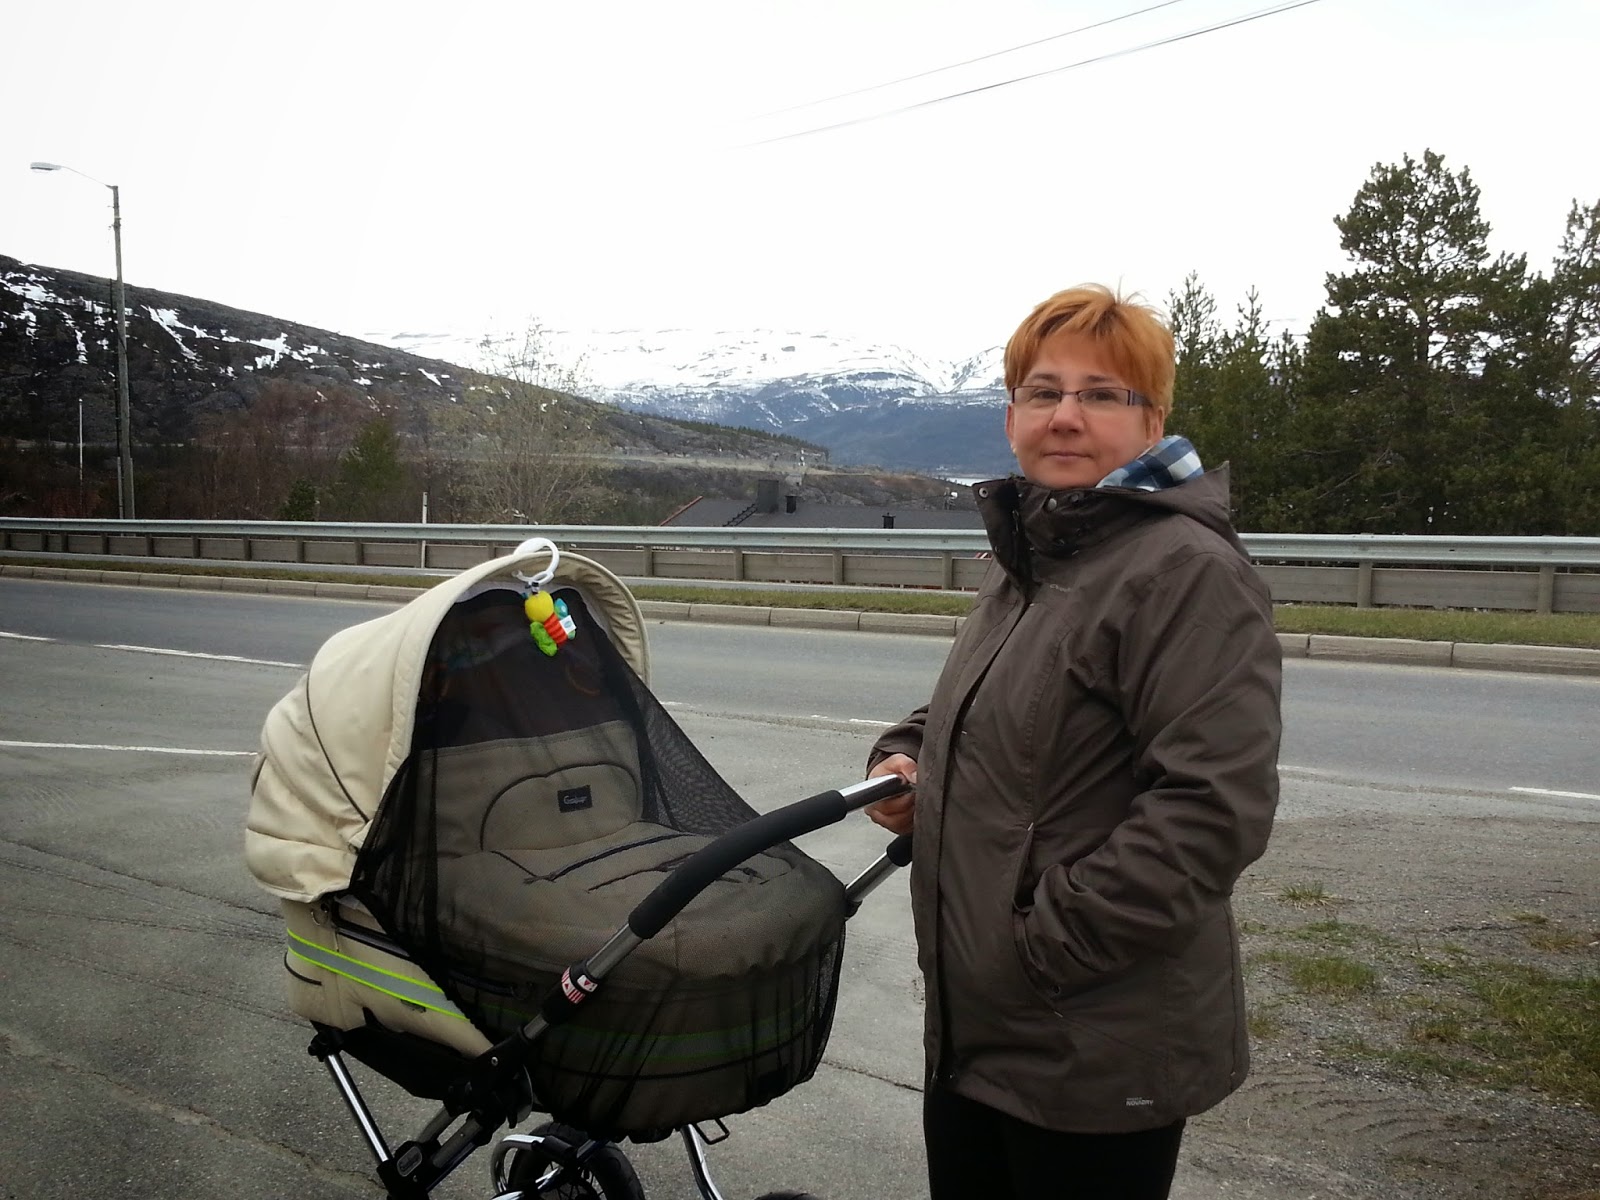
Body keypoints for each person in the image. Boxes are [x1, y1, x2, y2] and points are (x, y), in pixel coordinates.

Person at [866, 284, 1282, 1200]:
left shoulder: (1183, 572)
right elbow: (981, 708)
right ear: (1011, 416)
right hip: (980, 1029)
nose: (1065, 415)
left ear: (1151, 421)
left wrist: (1035, 950)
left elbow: (1211, 811)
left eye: (1101, 394)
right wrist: (905, 758)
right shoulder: (1039, 553)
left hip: (1089, 1041)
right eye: (1044, 392)